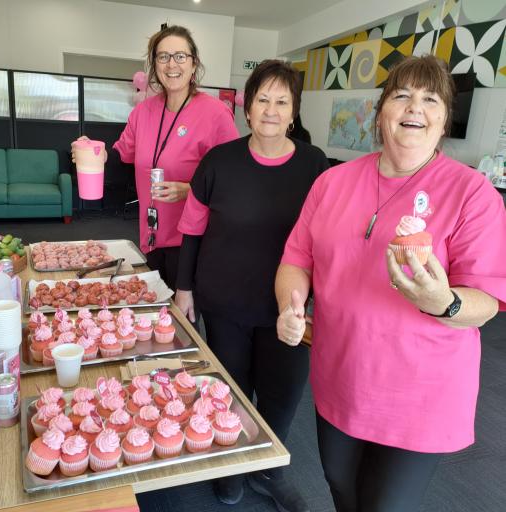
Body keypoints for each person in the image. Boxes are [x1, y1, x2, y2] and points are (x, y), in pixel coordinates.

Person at [276, 55, 506, 512]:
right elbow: (296, 259)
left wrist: (445, 302)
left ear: (443, 120)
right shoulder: (332, 183)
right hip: (340, 374)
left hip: (420, 391)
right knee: (341, 489)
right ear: (381, 112)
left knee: (385, 505)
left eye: (430, 99)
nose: (413, 107)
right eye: (401, 95)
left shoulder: (471, 192)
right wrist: (291, 302)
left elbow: (488, 300)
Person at [175, 60, 329, 511]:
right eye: (263, 99)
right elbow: (192, 229)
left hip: (288, 306)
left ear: (295, 111)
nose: (271, 110)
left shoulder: (315, 165)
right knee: (231, 387)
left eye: (283, 101)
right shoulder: (219, 161)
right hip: (223, 299)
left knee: (282, 391)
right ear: (246, 107)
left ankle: (268, 467)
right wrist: (184, 289)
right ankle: (232, 463)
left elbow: (328, 237)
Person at [72, 25, 238, 288]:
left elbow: (233, 177)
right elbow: (121, 156)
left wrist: (188, 190)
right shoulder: (143, 112)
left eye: (180, 56)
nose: (172, 64)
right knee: (154, 311)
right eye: (163, 56)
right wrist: (96, 153)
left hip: (192, 240)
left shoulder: (215, 113)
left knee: (183, 319)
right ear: (155, 64)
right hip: (150, 234)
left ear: (194, 63)